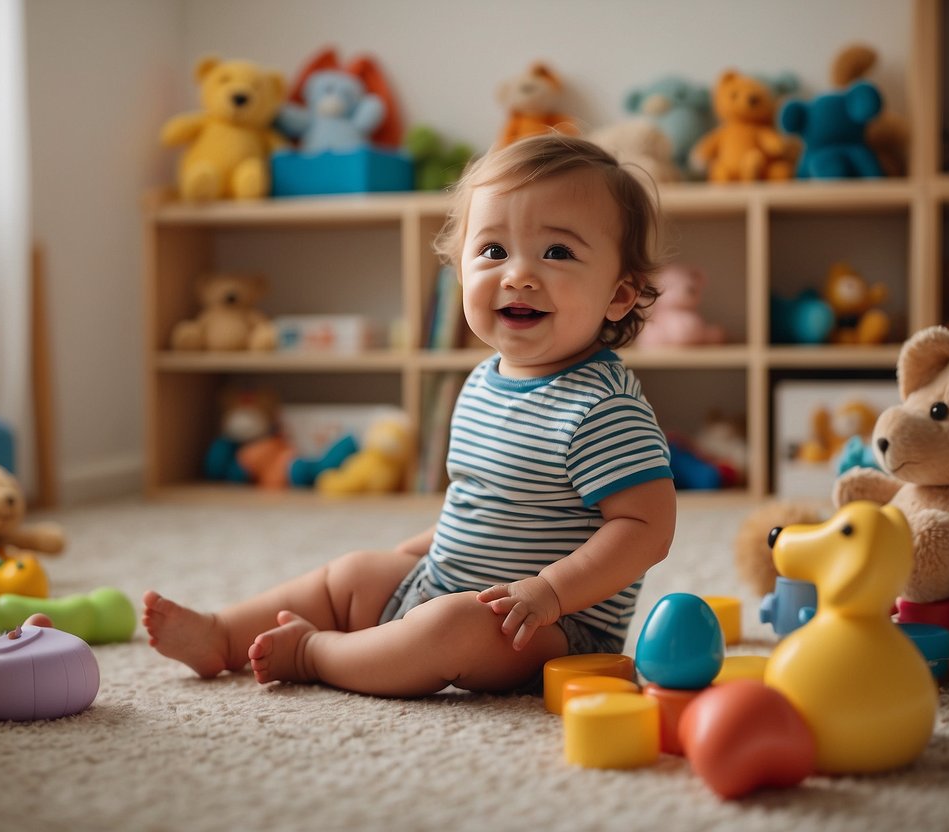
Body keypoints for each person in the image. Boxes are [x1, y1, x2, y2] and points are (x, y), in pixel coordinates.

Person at [143, 133, 676, 697]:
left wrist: (550, 591)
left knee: (450, 628)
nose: (517, 275)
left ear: (619, 295)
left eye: (557, 252)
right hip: (445, 580)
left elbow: (646, 529)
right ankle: (223, 635)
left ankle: (315, 652)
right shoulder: (481, 383)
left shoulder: (602, 406)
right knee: (353, 573)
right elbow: (484, 499)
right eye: (493, 251)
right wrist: (422, 549)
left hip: (551, 629)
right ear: (460, 268)